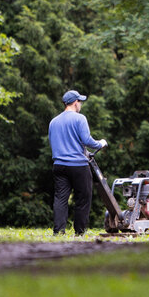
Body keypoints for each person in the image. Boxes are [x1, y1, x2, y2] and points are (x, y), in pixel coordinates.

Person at [48, 90, 107, 235]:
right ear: (75, 103)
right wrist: (100, 143)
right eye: (80, 101)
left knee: (61, 198)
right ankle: (80, 232)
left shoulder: (53, 122)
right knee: (83, 198)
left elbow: (53, 142)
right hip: (78, 166)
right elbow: (87, 141)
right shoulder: (80, 119)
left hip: (59, 165)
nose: (80, 104)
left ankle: (59, 231)